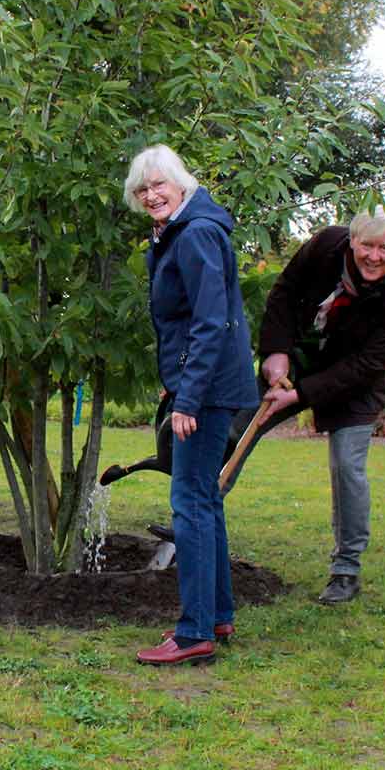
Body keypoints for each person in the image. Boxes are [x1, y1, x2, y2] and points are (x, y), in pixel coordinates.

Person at [221, 210, 385, 605]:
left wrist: (301, 395)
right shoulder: (327, 244)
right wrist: (275, 352)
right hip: (300, 353)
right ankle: (197, 518)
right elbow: (285, 289)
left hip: (356, 381)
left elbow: (367, 365)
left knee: (347, 466)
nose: (374, 256)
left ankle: (346, 569)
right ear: (351, 242)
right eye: (367, 245)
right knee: (235, 428)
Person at [126, 145, 260, 667]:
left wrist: (189, 396)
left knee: (189, 502)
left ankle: (194, 631)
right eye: (142, 190)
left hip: (208, 393)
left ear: (181, 183)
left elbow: (211, 322)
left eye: (159, 184)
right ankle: (217, 615)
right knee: (204, 499)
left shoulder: (198, 232)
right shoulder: (182, 231)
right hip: (206, 386)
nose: (151, 195)